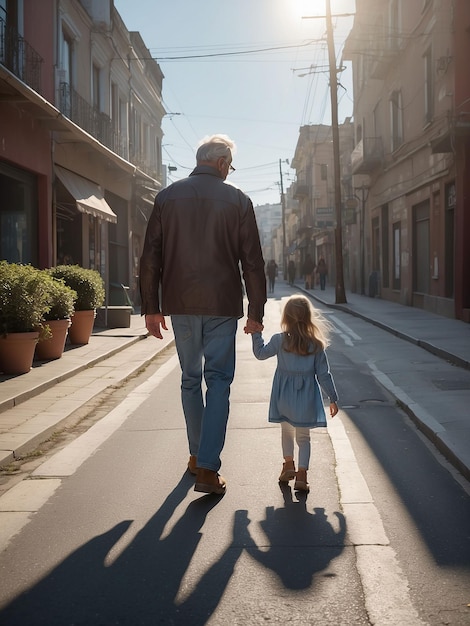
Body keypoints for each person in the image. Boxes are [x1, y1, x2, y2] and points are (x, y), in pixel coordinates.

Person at [140, 134, 266, 495]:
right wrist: (255, 311)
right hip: (223, 306)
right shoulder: (239, 201)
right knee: (220, 382)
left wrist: (151, 307)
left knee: (190, 379)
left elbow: (151, 256)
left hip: (179, 303)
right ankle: (209, 469)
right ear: (224, 163)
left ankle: (196, 457)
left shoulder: (166, 197)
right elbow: (253, 263)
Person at [249, 295, 338, 493]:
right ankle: (302, 476)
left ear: (286, 318)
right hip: (305, 397)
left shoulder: (279, 340)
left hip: (284, 396)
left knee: (287, 431)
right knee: (303, 437)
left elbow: (261, 353)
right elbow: (324, 374)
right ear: (308, 318)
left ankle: (288, 464)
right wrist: (333, 397)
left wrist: (256, 334)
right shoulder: (316, 345)